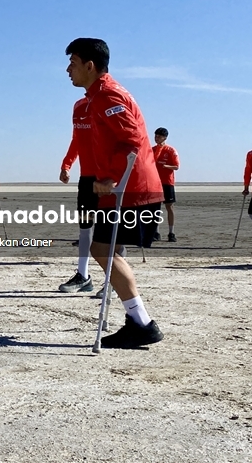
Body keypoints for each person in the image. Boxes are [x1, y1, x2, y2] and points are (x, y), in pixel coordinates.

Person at [66, 37, 164, 348]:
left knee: (102, 249)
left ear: (90, 66)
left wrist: (108, 177)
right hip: (123, 187)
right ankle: (138, 320)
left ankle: (142, 322)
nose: (68, 69)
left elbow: (132, 138)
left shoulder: (108, 95)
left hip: (130, 189)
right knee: (108, 249)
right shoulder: (96, 97)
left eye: (74, 63)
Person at [57, 94, 98, 294]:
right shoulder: (79, 106)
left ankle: (114, 281)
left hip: (107, 178)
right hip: (87, 177)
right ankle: (83, 276)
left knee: (111, 230)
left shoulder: (110, 101)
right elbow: (77, 139)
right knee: (85, 227)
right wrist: (66, 164)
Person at [152, 128, 180, 242]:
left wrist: (165, 166)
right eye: (155, 136)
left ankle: (171, 232)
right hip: (155, 183)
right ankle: (156, 232)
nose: (156, 138)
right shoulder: (151, 150)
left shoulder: (170, 150)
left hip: (167, 182)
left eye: (159, 136)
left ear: (164, 137)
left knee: (169, 207)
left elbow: (176, 166)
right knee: (155, 208)